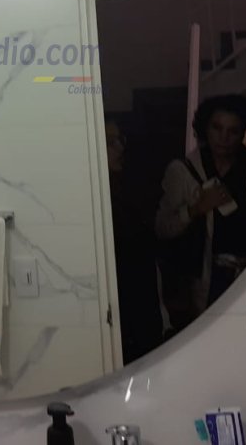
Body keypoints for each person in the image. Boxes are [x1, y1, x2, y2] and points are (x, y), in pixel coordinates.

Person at [155, 95, 246, 330]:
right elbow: (162, 228)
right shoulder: (183, 171)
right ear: (205, 128)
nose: (224, 138)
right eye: (217, 128)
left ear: (244, 132)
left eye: (233, 131)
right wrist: (196, 209)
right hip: (209, 282)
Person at [105, 118, 163, 362]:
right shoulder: (99, 198)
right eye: (111, 142)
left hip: (141, 301)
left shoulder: (130, 187)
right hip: (120, 305)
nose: (120, 148)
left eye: (121, 140)